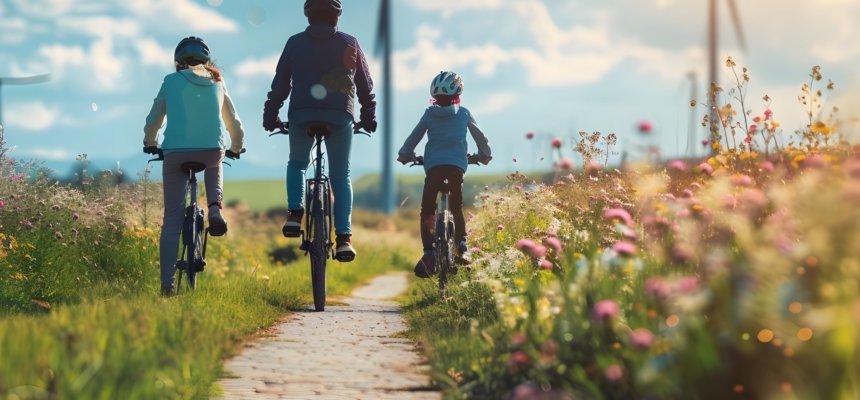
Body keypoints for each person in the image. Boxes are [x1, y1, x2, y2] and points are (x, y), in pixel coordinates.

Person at [263, 0, 377, 263]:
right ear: (337, 17)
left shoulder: (294, 42)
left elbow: (281, 83)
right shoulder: (350, 42)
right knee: (341, 174)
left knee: (298, 164)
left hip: (302, 113)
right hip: (340, 115)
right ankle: (344, 239)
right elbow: (365, 85)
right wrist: (367, 117)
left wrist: (271, 115)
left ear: (308, 16)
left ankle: (294, 214)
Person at [143, 36, 245, 296]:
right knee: (215, 161)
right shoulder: (217, 83)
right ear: (205, 61)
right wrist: (235, 147)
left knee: (172, 221)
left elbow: (154, 118)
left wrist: (150, 141)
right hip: (211, 149)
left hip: (175, 153)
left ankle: (167, 286)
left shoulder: (170, 81)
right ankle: (214, 208)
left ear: (178, 62)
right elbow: (234, 122)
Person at [397, 71, 492, 278]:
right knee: (456, 207)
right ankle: (462, 248)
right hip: (457, 166)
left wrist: (406, 155)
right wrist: (484, 155)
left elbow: (414, 138)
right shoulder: (464, 113)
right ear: (458, 93)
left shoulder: (429, 114)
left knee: (428, 209)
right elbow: (480, 137)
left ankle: (429, 253)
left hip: (434, 167)